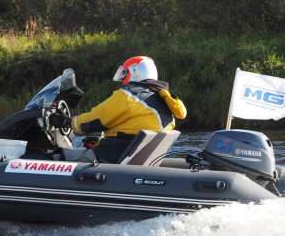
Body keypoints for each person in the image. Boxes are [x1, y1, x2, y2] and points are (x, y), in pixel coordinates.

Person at [51, 56, 187, 163]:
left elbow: (98, 117)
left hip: (115, 157)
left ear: (134, 72)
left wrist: (67, 122)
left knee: (58, 158)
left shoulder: (128, 96)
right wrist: (98, 143)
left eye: (125, 73)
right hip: (131, 157)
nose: (123, 78)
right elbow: (130, 128)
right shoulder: (163, 101)